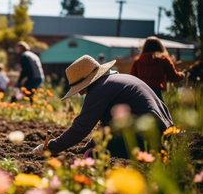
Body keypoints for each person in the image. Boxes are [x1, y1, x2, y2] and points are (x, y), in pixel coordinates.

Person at [32, 55, 174, 159]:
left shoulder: (100, 88)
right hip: (164, 133)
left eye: (80, 88)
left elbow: (81, 127)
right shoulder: (117, 81)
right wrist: (84, 148)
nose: (80, 92)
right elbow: (106, 127)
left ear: (89, 81)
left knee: (96, 156)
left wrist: (51, 147)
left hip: (145, 134)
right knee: (94, 148)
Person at [130, 36, 183, 101]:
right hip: (156, 93)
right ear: (160, 47)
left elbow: (132, 79)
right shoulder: (164, 59)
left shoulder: (138, 61)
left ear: (145, 47)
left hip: (141, 92)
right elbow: (173, 77)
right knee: (158, 110)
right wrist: (182, 75)